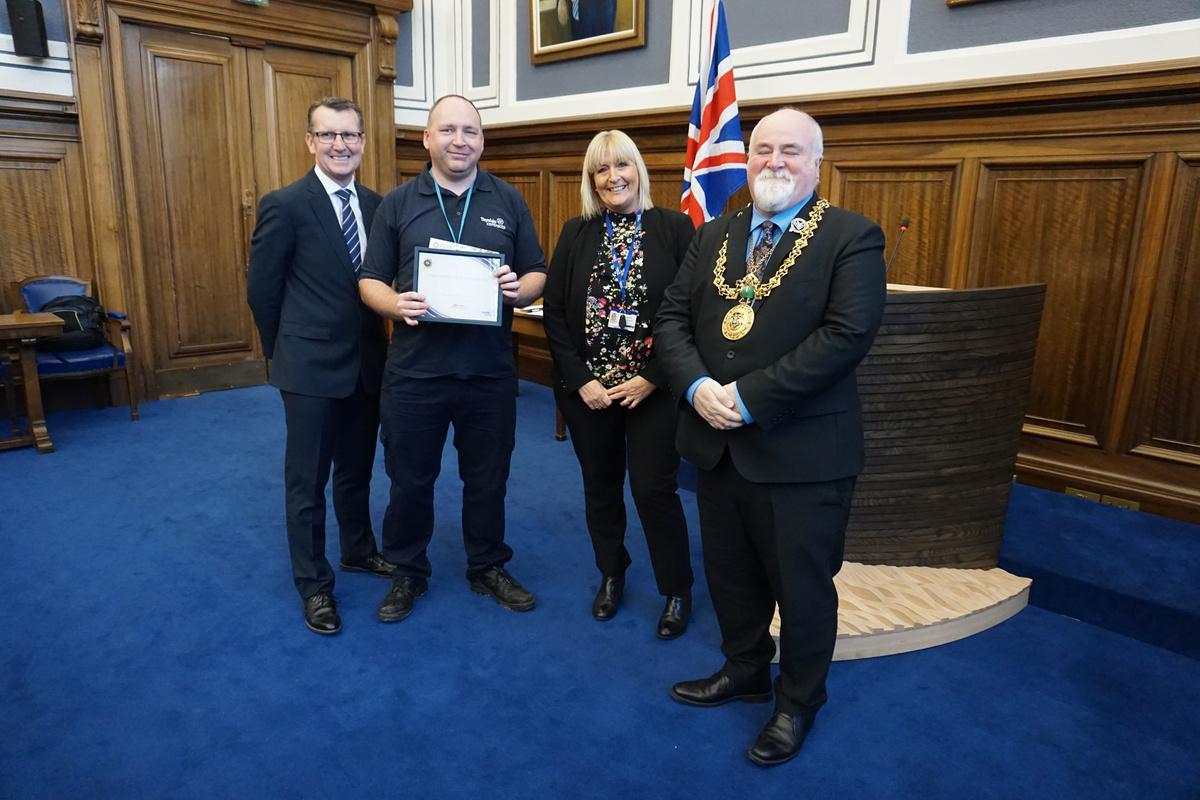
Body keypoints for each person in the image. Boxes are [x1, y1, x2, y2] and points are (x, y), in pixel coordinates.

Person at [654, 108, 887, 766]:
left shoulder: (851, 236)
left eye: (791, 151)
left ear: (817, 164)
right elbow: (671, 319)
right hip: (714, 442)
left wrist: (749, 399)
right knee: (730, 574)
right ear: (747, 157)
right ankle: (745, 668)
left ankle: (798, 702)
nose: (774, 162)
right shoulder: (716, 233)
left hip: (802, 454)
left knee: (802, 587)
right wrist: (697, 387)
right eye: (762, 149)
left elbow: (846, 336)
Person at [358, 95, 547, 623]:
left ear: (482, 141)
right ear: (427, 138)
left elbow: (537, 271)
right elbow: (369, 280)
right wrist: (394, 304)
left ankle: (487, 565)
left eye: (470, 131)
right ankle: (407, 570)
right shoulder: (398, 203)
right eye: (447, 130)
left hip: (488, 374)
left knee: (488, 479)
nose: (459, 140)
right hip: (415, 374)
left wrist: (519, 290)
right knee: (409, 480)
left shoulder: (508, 200)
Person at [247, 96, 393, 636]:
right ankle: (313, 584)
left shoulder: (378, 206)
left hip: (367, 365)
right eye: (328, 135)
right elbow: (262, 291)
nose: (340, 145)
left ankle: (358, 549)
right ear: (310, 141)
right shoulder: (284, 205)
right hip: (308, 369)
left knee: (356, 470)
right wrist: (284, 353)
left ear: (362, 142)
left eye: (349, 135)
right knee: (306, 482)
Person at [542, 130, 695, 638]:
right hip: (591, 394)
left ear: (639, 169)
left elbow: (693, 312)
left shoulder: (674, 228)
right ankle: (612, 573)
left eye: (622, 165)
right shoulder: (576, 232)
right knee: (600, 487)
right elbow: (555, 312)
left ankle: (676, 587)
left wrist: (652, 377)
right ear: (592, 180)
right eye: (602, 169)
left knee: (653, 489)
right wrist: (580, 380)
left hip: (652, 389)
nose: (614, 178)